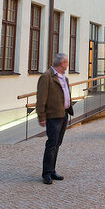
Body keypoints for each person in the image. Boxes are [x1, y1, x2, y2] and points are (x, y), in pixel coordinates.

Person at [36, 52, 74, 184]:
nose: (67, 65)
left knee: (57, 143)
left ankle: (52, 171)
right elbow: (41, 98)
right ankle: (46, 173)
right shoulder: (46, 77)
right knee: (52, 144)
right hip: (53, 116)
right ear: (62, 63)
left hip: (63, 114)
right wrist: (41, 116)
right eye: (67, 63)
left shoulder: (64, 78)